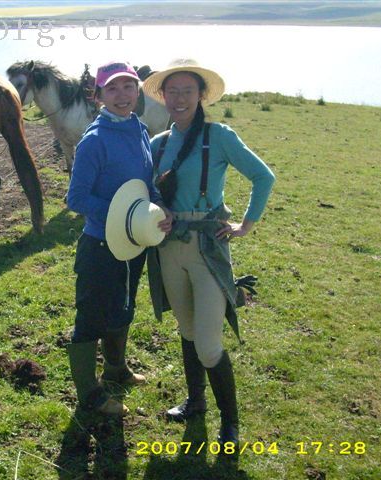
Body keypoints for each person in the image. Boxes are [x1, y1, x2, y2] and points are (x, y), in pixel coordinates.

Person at [143, 59, 275, 444]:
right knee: (185, 330)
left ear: (201, 96)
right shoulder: (158, 143)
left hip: (207, 248)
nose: (180, 98)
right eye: (173, 91)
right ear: (163, 96)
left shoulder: (220, 136)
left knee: (208, 343)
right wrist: (157, 210)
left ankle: (230, 424)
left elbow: (263, 176)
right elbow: (146, 191)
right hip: (168, 250)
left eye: (188, 90)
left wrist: (245, 225)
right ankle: (196, 402)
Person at [66, 61, 172, 416]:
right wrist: (122, 213)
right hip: (100, 244)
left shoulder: (139, 129)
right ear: (98, 97)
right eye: (111, 89)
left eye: (128, 86)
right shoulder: (94, 141)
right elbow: (76, 199)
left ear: (138, 91)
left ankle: (116, 369)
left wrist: (155, 207)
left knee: (124, 304)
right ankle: (90, 395)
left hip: (133, 239)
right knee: (91, 315)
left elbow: (146, 179)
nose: (122, 95)